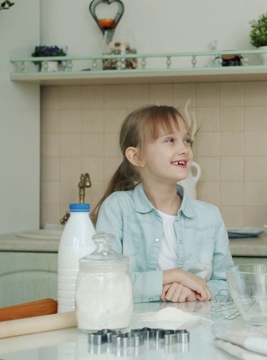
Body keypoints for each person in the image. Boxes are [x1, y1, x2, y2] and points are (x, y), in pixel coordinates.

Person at [93, 105, 234, 303]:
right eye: (170, 140)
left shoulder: (209, 216)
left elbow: (229, 285)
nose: (184, 149)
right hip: (134, 330)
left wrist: (194, 291)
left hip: (197, 330)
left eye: (187, 141)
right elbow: (106, 282)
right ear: (136, 156)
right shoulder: (117, 208)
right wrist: (175, 275)